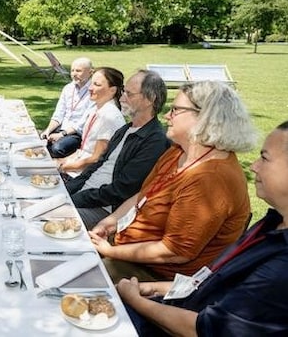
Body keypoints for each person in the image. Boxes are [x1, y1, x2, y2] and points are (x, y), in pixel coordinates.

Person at [117, 122, 288, 336]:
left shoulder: (281, 267)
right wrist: (156, 288)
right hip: (176, 302)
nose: (253, 166)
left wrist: (134, 300)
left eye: (264, 158)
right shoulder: (272, 223)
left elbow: (203, 329)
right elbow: (214, 280)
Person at [89, 81, 257, 282]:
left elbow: (174, 252)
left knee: (76, 275)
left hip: (155, 276)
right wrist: (111, 222)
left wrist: (110, 251)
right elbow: (144, 195)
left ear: (205, 118)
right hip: (125, 250)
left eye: (175, 110)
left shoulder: (211, 178)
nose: (167, 116)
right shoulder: (178, 151)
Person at [65, 70, 170, 229]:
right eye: (123, 92)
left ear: (150, 99)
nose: (121, 98)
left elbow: (121, 190)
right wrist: (66, 191)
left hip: (105, 209)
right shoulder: (125, 129)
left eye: (129, 94)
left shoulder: (154, 140)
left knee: (45, 219)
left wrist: (74, 199)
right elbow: (96, 165)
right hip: (84, 195)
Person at [57, 67, 126, 178]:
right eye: (91, 83)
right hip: (78, 169)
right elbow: (85, 150)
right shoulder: (96, 109)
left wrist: (63, 167)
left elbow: (96, 159)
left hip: (90, 177)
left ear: (112, 90)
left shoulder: (109, 116)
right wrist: (61, 161)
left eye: (97, 85)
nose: (90, 88)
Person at [39, 57, 94, 158]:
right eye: (72, 70)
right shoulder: (68, 88)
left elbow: (83, 122)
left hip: (77, 133)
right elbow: (58, 114)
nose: (74, 74)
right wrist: (48, 130)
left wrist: (61, 135)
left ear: (90, 72)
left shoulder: (93, 91)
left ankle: (63, 168)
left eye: (78, 71)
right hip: (61, 128)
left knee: (57, 148)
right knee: (37, 141)